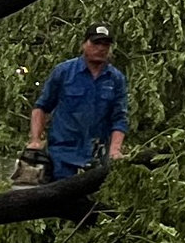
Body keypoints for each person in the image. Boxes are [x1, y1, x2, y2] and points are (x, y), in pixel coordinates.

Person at [26, 25, 130, 181]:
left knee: (94, 201)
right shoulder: (63, 72)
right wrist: (35, 140)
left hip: (98, 154)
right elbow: (42, 107)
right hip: (62, 153)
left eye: (105, 45)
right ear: (84, 44)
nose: (101, 48)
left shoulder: (116, 79)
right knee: (60, 198)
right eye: (96, 43)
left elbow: (119, 118)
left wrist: (115, 150)